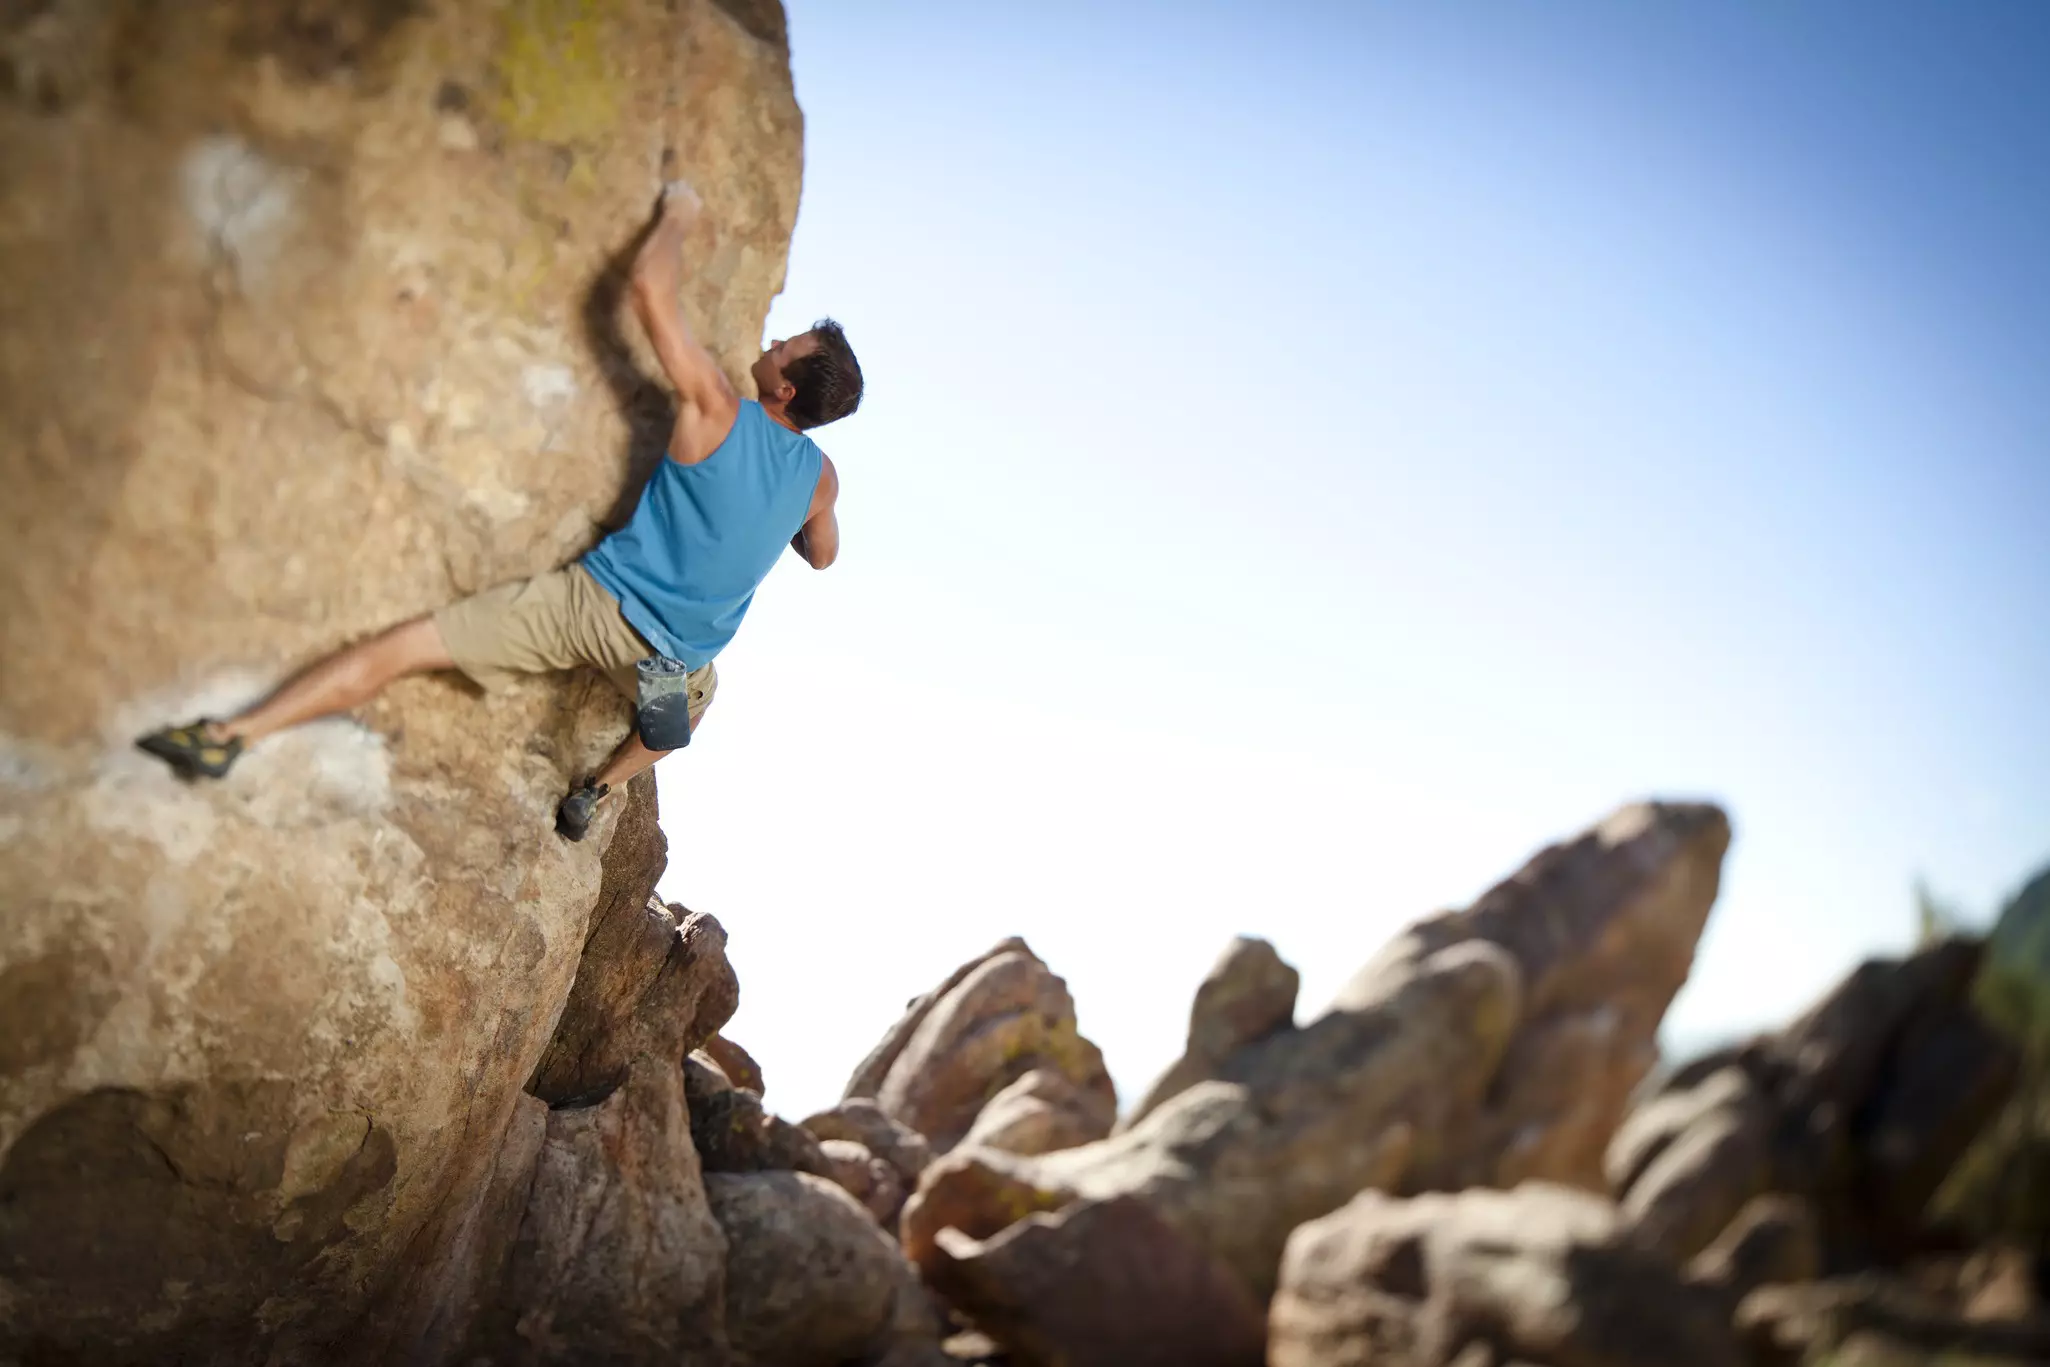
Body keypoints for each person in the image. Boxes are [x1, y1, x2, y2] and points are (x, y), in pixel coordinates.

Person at [137, 182, 861, 840]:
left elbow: (648, 289)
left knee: (403, 650)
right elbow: (823, 554)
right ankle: (599, 789)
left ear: (786, 390)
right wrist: (777, 521)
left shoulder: (716, 408)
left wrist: (676, 214)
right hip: (669, 662)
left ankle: (233, 733)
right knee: (684, 721)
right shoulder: (820, 481)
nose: (769, 343)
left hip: (587, 608)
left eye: (783, 346)